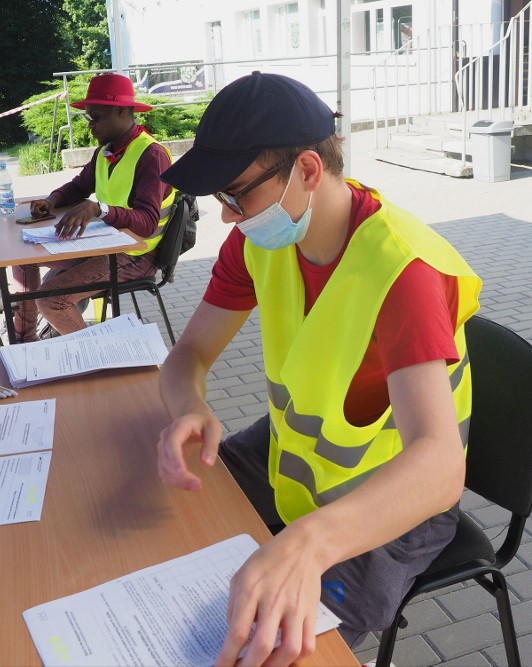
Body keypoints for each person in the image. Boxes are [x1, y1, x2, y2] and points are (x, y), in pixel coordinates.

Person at [155, 72, 481, 665]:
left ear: (307, 170)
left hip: (393, 507)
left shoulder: (405, 269)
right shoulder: (261, 241)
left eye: (236, 195)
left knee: (279, 648)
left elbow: (438, 466)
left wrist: (308, 543)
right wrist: (192, 408)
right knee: (166, 515)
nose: (229, 218)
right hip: (298, 463)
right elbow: (188, 356)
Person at [13, 73, 175, 342]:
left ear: (122, 112)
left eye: (95, 117)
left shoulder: (152, 155)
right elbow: (78, 187)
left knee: (53, 301)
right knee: (23, 260)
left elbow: (147, 223)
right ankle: (26, 343)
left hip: (137, 255)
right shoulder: (104, 152)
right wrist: (51, 201)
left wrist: (100, 210)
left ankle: (100, 355)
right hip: (104, 244)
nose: (90, 126)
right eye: (88, 118)